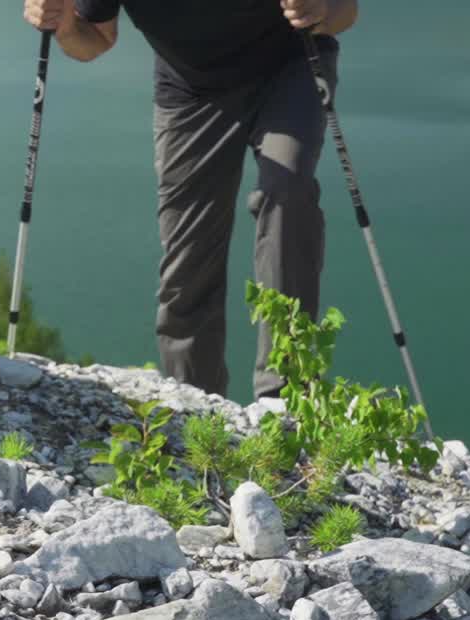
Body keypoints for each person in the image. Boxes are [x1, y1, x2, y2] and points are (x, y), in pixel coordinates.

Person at [22, 0, 359, 401]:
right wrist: (61, 25)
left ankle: (286, 399)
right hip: (190, 90)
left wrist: (320, 13)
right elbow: (95, 39)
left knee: (286, 191)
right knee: (188, 261)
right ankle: (198, 413)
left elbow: (346, 11)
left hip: (289, 67)